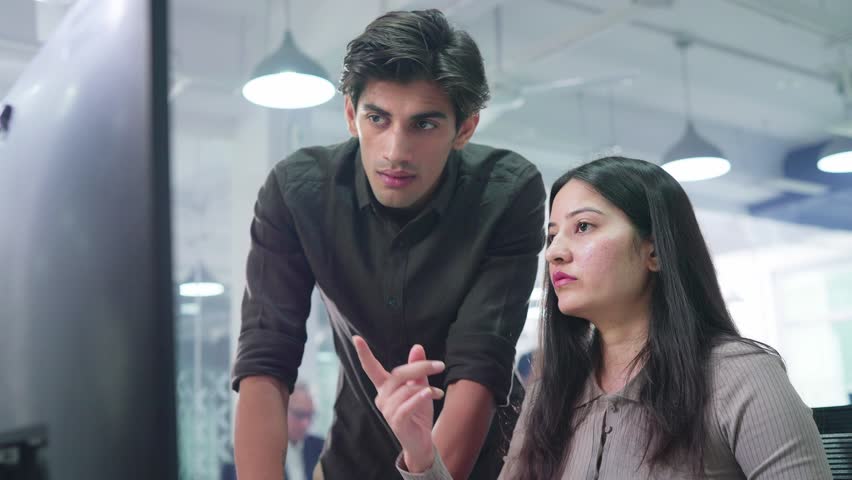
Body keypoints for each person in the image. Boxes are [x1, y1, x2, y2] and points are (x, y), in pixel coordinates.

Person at [356, 156, 833, 479]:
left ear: (653, 250)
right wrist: (421, 453)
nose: (555, 251)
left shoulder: (739, 376)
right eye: (552, 234)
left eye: (583, 227)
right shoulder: (553, 389)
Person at [231, 9, 545, 480]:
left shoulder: (505, 193)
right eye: (378, 118)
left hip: (477, 463)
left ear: (465, 129)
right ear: (351, 115)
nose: (396, 150)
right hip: (352, 460)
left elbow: (478, 369)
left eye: (423, 125)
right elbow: (265, 360)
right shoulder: (298, 193)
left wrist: (427, 474)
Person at [284, 384, 324, 480]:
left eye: (310, 416)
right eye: (300, 415)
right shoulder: (266, 451)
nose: (306, 424)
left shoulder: (321, 448)